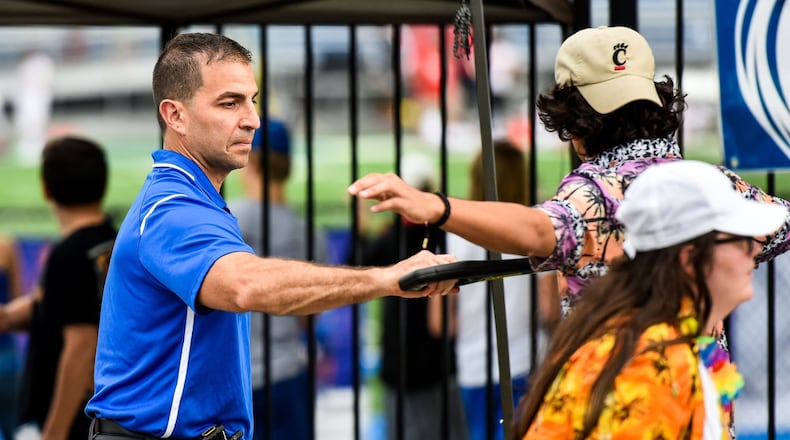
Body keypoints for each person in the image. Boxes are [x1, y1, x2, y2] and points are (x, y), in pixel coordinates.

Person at [348, 25, 790, 437]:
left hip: (622, 403)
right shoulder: (708, 182)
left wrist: (439, 207)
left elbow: (543, 229)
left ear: (573, 122)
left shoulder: (594, 189)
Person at [84, 32, 457, 440]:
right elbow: (246, 285)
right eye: (230, 102)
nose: (253, 119)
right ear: (175, 116)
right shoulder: (173, 209)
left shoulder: (194, 199)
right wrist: (387, 278)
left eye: (253, 100)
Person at [512, 160, 787, 438]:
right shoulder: (650, 364)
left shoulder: (656, 340)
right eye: (739, 239)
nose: (752, 250)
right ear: (690, 259)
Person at [427, 141, 559, 440]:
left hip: (474, 365)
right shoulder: (534, 233)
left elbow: (440, 323)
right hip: (526, 359)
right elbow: (550, 310)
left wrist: (477, 328)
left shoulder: (453, 238)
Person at [0, 136, 116, 440]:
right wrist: (8, 317)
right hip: (108, 413)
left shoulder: (70, 254)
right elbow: (59, 306)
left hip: (75, 422)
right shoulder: (112, 241)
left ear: (46, 189)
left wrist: (54, 433)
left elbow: (80, 346)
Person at [227, 117, 329, 440]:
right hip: (288, 372)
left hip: (236, 376)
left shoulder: (228, 217)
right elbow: (309, 315)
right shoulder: (309, 232)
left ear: (251, 160)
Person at [359, 152, 468, 440]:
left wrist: (361, 222)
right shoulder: (442, 236)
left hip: (405, 359)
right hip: (435, 361)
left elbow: (354, 264)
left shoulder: (390, 237)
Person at [0, 236, 23, 439]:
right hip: (6, 354)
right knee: (10, 428)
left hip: (6, 355)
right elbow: (17, 306)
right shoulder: (6, 245)